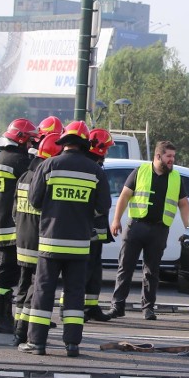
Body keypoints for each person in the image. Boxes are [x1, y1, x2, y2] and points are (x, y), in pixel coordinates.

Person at [18, 121, 111, 357]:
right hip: (80, 245)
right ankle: (72, 344)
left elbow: (35, 201)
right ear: (84, 144)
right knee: (74, 293)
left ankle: (37, 343)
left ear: (64, 143)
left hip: (50, 243)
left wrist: (55, 210)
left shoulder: (49, 165)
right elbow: (103, 207)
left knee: (43, 291)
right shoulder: (96, 171)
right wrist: (83, 215)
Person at [105, 141, 189, 321]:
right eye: (169, 156)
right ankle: (117, 306)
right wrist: (115, 220)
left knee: (152, 271)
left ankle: (148, 308)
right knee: (125, 268)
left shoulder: (176, 177)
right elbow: (124, 196)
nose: (172, 160)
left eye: (173, 157)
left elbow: (183, 205)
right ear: (158, 156)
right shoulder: (140, 171)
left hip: (159, 229)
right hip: (135, 226)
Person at [11, 130, 62, 347]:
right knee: (35, 290)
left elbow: (15, 211)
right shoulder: (46, 181)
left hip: (22, 241)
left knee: (23, 288)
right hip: (38, 243)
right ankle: (24, 331)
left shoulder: (24, 177)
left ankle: (17, 328)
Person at [0, 118, 36, 334]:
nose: (33, 145)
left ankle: (5, 315)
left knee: (3, 273)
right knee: (5, 275)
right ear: (23, 139)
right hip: (12, 227)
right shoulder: (19, 162)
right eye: (31, 140)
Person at [83, 128, 115, 323]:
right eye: (107, 148)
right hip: (88, 229)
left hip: (95, 229)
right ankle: (73, 307)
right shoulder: (91, 168)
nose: (108, 153)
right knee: (84, 270)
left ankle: (91, 306)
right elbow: (102, 204)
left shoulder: (94, 166)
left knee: (94, 269)